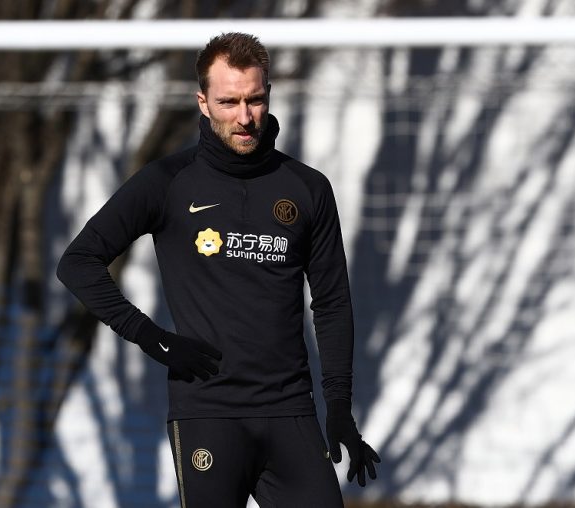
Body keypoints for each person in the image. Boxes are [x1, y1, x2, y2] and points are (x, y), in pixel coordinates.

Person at [56, 31, 379, 507]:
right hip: (207, 413)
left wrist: (339, 406)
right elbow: (78, 263)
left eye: (255, 100)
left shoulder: (307, 188)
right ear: (203, 102)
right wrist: (151, 337)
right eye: (229, 102)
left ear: (268, 95)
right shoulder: (168, 181)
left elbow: (331, 303)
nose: (245, 117)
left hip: (290, 411)